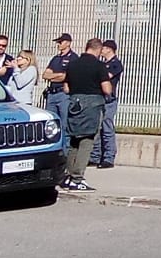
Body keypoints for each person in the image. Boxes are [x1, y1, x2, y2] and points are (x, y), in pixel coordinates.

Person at [60, 39, 114, 192]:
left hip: (74, 103)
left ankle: (68, 175)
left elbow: (66, 88)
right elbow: (107, 89)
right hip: (92, 105)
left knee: (74, 140)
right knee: (87, 140)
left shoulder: (72, 64)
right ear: (98, 49)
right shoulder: (99, 66)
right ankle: (77, 178)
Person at [91, 39, 123, 169]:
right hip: (100, 98)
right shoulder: (102, 64)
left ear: (109, 49)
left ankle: (108, 158)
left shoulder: (116, 64)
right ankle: (95, 156)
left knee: (107, 128)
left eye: (103, 48)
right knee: (97, 128)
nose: (101, 50)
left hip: (109, 100)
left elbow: (105, 77)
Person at [42, 33, 75, 131]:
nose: (58, 44)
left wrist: (54, 76)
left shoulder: (73, 58)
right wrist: (59, 75)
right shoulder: (55, 58)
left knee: (64, 124)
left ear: (68, 43)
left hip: (63, 94)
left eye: (61, 42)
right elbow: (45, 75)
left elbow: (66, 77)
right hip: (52, 93)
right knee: (50, 123)